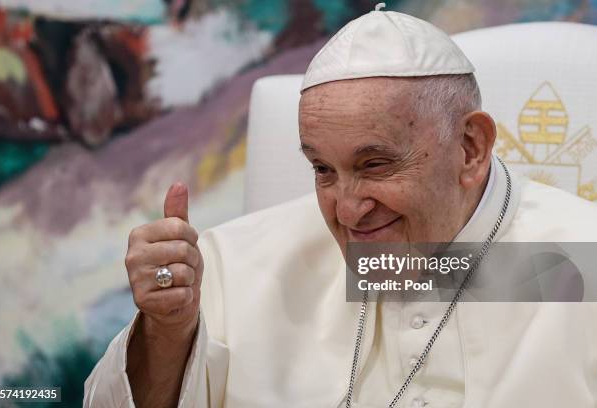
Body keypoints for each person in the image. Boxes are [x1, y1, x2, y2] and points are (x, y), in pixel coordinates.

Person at [84, 7, 597, 408]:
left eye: (375, 165)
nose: (347, 212)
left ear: (470, 147)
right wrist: (168, 332)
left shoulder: (581, 257)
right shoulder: (234, 263)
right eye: (323, 170)